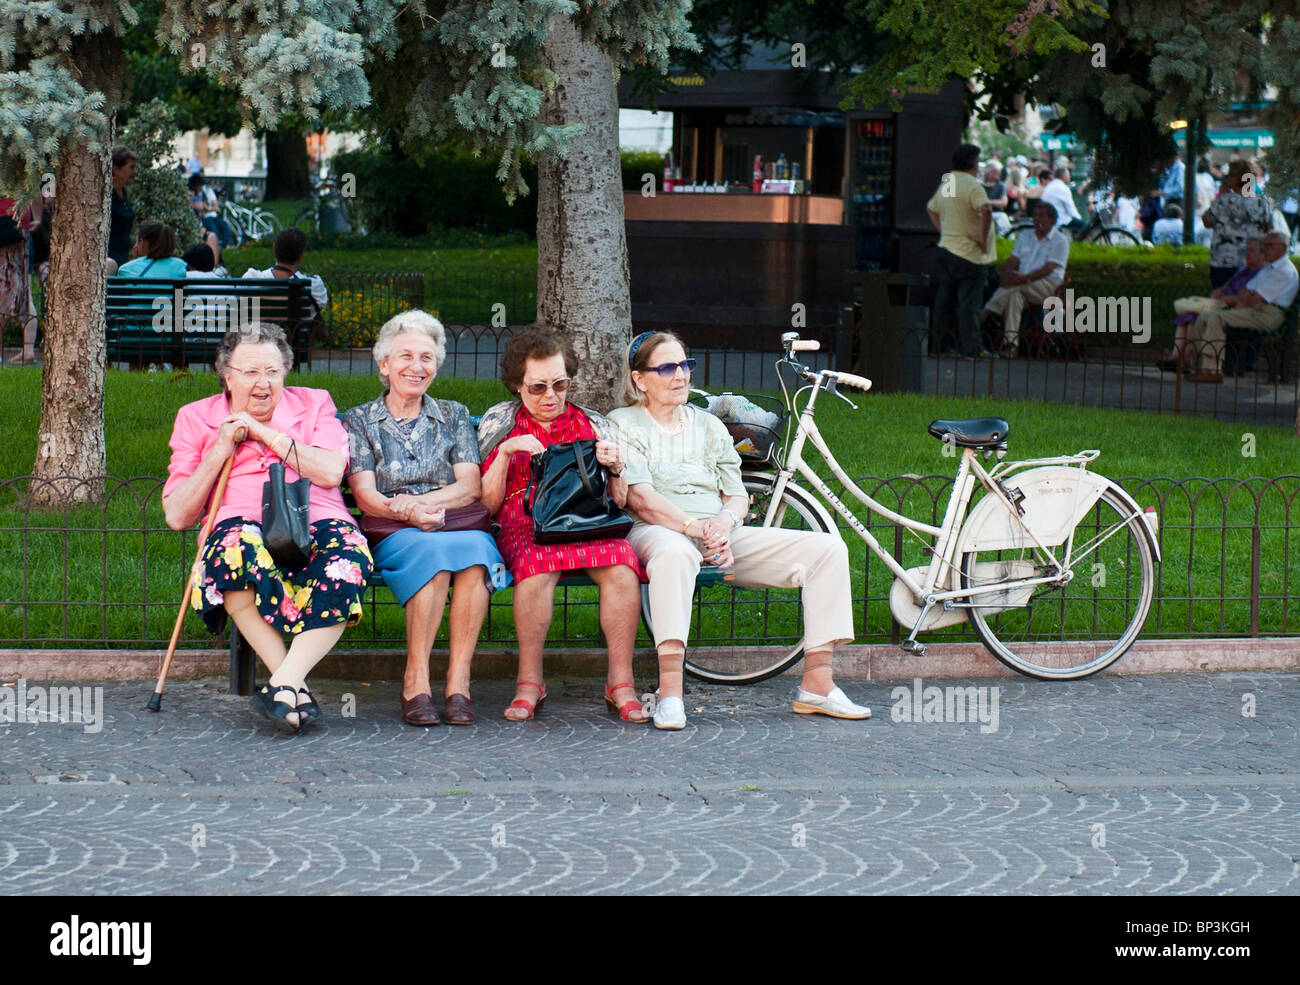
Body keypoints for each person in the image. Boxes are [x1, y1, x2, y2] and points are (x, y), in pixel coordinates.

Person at [609, 331, 871, 731]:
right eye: (667, 368)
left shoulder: (711, 425)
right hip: (656, 530)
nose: (680, 376)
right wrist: (696, 528)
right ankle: (670, 693)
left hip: (715, 533)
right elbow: (640, 500)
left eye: (685, 365)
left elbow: (736, 495)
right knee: (676, 553)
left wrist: (723, 526)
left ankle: (818, 684)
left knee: (826, 551)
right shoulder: (623, 423)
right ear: (640, 379)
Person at [162, 322, 372, 733]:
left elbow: (331, 471)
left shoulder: (314, 404)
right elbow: (177, 515)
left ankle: (284, 684)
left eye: (273, 372)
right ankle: (291, 684)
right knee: (231, 555)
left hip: (314, 515)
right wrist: (220, 449)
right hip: (240, 520)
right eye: (251, 372)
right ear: (227, 374)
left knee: (347, 558)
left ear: (286, 373)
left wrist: (264, 433)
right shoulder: (196, 418)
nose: (264, 383)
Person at [342, 311, 508, 726]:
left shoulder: (453, 414)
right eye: (405, 357)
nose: (417, 367)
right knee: (433, 558)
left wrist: (427, 506)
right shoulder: (359, 420)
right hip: (395, 527)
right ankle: (415, 680)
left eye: (427, 358)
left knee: (473, 558)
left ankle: (459, 683)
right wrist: (411, 513)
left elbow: (469, 486)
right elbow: (365, 495)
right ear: (384, 364)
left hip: (456, 521)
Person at [477, 328, 647, 723]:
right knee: (537, 569)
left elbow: (619, 501)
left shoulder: (592, 423)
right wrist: (505, 453)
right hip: (526, 520)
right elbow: (486, 504)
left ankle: (621, 683)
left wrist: (615, 466)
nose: (550, 396)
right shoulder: (501, 422)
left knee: (622, 564)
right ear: (517, 386)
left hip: (585, 520)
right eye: (537, 387)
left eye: (559, 384)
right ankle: (529, 682)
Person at [1184, 231, 1298, 382]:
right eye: (1264, 245)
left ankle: (1212, 371)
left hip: (1268, 315)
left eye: (1269, 245)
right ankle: (1199, 367)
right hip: (1254, 311)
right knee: (1204, 316)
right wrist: (1248, 296)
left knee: (1215, 318)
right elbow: (1245, 292)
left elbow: (1254, 298)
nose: (1265, 249)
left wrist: (1249, 296)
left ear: (1282, 248)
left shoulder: (1284, 271)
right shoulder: (1269, 269)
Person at [926, 144, 997, 357]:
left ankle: (937, 347)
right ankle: (972, 349)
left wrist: (944, 231)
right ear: (974, 165)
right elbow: (986, 209)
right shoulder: (974, 186)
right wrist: (983, 240)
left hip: (947, 249)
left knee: (944, 302)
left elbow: (932, 208)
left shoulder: (949, 181)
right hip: (970, 254)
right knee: (968, 305)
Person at [1160, 237, 1266, 373]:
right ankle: (1176, 356)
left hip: (1231, 308)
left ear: (1263, 254)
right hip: (1220, 303)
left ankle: (1187, 359)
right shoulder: (1243, 269)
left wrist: (1224, 298)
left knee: (1196, 317)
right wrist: (1219, 292)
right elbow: (1225, 287)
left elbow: (1244, 299)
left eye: (1252, 251)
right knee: (1187, 314)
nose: (1247, 254)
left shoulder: (1261, 274)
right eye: (1247, 250)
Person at [979, 201, 1069, 356]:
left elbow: (1048, 269)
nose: (1037, 219)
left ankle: (986, 312)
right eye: (1034, 215)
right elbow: (1013, 260)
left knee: (1015, 286)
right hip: (1022, 283)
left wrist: (1022, 279)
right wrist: (1007, 274)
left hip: (1048, 287)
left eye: (1041, 216)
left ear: (1052, 219)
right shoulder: (1025, 236)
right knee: (1015, 296)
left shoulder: (1060, 240)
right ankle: (1011, 345)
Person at [1202, 160, 1274, 289]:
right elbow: (1269, 229)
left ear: (1236, 178)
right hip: (1251, 261)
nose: (1227, 178)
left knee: (1221, 301)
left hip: (1222, 260)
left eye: (1230, 175)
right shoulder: (1262, 203)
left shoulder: (1223, 201)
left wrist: (1219, 198)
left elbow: (1206, 221)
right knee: (1246, 303)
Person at [242, 227, 328, 315]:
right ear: (301, 256)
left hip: (258, 328)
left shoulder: (251, 279)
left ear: (274, 249)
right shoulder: (314, 287)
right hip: (295, 329)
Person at [0, 197, 38, 364]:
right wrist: (38, 217)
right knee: (23, 289)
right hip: (20, 222)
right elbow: (41, 182)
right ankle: (28, 349)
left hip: (5, 222)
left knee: (5, 289)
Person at [109, 221, 188, 279]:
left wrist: (135, 261)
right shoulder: (180, 266)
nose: (134, 246)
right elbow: (179, 300)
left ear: (142, 242)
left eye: (137, 242)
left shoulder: (126, 270)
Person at [108, 147, 138, 267]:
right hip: (109, 260)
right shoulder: (106, 196)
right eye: (131, 167)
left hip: (123, 259)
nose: (135, 171)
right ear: (116, 169)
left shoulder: (124, 193)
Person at [1038, 167, 1083, 232]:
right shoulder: (1063, 188)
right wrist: (1079, 219)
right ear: (1064, 176)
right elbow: (1071, 208)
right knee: (1084, 227)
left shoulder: (1049, 186)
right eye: (1068, 175)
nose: (1070, 176)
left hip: (1048, 219)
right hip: (1060, 220)